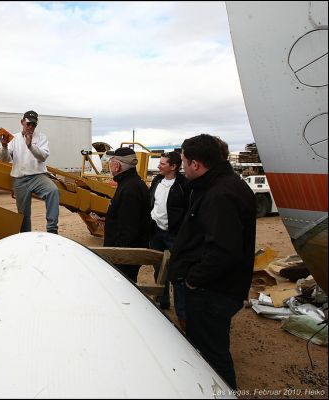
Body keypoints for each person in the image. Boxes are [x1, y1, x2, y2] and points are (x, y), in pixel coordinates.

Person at [168, 133, 256, 390]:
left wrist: (193, 280)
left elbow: (223, 251)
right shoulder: (221, 186)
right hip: (216, 290)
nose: (182, 167)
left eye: (184, 162)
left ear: (196, 164)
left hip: (212, 293)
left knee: (212, 356)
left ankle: (223, 392)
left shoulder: (220, 194)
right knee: (210, 349)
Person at [0, 110, 60, 234]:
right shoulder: (13, 139)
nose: (31, 126)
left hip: (37, 176)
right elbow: (4, 159)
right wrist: (4, 146)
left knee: (53, 191)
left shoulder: (41, 137)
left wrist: (30, 145)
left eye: (34, 124)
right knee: (23, 214)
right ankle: (26, 236)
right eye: (28, 124)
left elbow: (43, 156)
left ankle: (52, 229)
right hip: (19, 179)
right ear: (22, 122)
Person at [148, 151, 190, 329]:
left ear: (173, 166)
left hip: (174, 235)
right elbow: (152, 202)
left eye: (163, 163)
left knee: (177, 274)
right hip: (157, 233)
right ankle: (162, 302)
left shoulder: (184, 185)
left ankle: (182, 314)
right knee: (159, 269)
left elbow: (188, 210)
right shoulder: (157, 181)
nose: (158, 166)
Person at [103, 147, 150, 283]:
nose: (109, 166)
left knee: (123, 285)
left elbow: (129, 230)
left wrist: (118, 256)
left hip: (124, 257)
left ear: (117, 166)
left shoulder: (130, 189)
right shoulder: (131, 183)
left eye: (111, 162)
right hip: (125, 253)